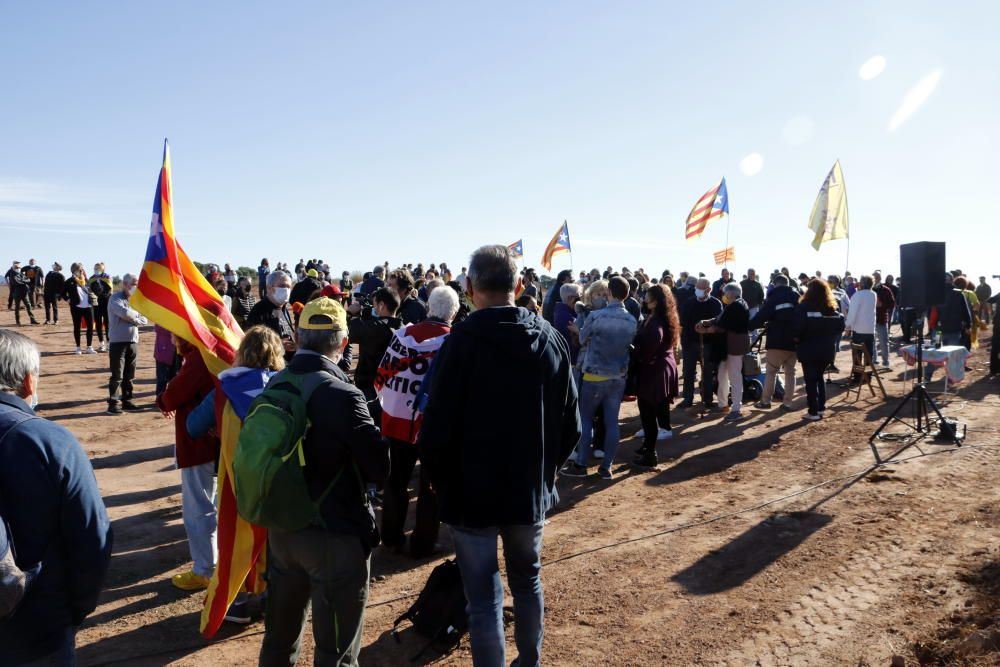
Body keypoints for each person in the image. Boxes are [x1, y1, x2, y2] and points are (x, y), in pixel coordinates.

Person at [418, 245, 579, 667]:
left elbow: (434, 429)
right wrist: (546, 471)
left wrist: (439, 478)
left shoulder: (461, 345)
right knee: (526, 583)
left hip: (474, 496)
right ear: (519, 286)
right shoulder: (549, 341)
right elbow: (572, 426)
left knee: (485, 597)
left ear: (469, 288)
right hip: (524, 492)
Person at [258, 298, 389, 666]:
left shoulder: (275, 385)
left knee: (278, 642)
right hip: (334, 532)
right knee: (335, 651)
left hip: (282, 532)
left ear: (297, 339)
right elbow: (379, 469)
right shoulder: (344, 395)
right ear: (343, 343)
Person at [0, 329, 113, 665]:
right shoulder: (49, 441)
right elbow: (93, 537)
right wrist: (75, 608)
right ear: (28, 382)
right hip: (37, 627)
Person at [375, 287, 459, 558]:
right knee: (429, 486)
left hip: (397, 417)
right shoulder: (454, 342)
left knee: (396, 480)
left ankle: (390, 537)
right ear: (454, 313)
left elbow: (381, 376)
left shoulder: (402, 335)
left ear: (428, 308)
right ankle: (423, 543)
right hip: (431, 424)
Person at [156, 336, 219, 591]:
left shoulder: (198, 358)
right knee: (209, 503)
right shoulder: (209, 353)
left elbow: (175, 395)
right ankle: (210, 563)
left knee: (198, 507)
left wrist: (163, 399)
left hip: (198, 445)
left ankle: (204, 568)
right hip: (211, 441)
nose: (171, 338)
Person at [562, 276, 637, 479]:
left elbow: (583, 338)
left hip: (594, 375)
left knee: (585, 419)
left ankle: (581, 465)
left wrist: (578, 329)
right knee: (612, 422)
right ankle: (606, 467)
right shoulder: (631, 319)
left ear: (610, 293)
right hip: (618, 376)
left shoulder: (596, 316)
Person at [633, 284, 680, 467]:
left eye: (648, 296)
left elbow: (654, 339)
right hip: (661, 366)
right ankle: (647, 446)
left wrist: (640, 356)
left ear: (656, 300)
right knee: (650, 409)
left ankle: (650, 454)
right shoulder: (663, 316)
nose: (644, 299)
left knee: (647, 411)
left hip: (655, 369)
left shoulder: (656, 321)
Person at [696, 282, 750, 421]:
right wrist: (707, 322)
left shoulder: (737, 305)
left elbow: (721, 326)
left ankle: (736, 408)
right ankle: (723, 404)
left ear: (731, 293)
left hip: (734, 346)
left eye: (725, 293)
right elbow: (720, 318)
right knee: (722, 374)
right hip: (727, 346)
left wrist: (706, 329)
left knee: (735, 377)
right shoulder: (734, 305)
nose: (724, 296)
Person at [795, 280, 845, 421]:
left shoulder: (804, 307)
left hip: (809, 349)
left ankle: (813, 411)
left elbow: (798, 328)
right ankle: (821, 408)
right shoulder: (832, 308)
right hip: (827, 350)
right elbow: (840, 326)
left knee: (811, 380)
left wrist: (796, 338)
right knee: (819, 378)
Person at [347, 286, 403, 407]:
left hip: (369, 388)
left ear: (381, 305)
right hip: (393, 387)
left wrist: (351, 313)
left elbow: (346, 332)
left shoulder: (373, 328)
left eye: (375, 304)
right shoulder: (403, 328)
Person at [749, 274, 798, 410]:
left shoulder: (773, 297)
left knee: (771, 372)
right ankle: (787, 402)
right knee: (790, 373)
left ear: (775, 284)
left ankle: (766, 401)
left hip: (776, 340)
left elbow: (761, 316)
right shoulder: (797, 296)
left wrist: (748, 326)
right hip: (794, 341)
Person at [106, 274, 149, 414]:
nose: (136, 286)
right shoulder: (115, 298)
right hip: (118, 342)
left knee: (130, 374)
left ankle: (127, 400)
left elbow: (145, 318)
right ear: (125, 284)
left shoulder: (136, 300)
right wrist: (136, 317)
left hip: (133, 341)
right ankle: (113, 404)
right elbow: (125, 314)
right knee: (117, 374)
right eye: (134, 284)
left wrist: (135, 317)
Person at [679, 277, 723, 408]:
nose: (697, 290)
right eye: (696, 288)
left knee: (708, 372)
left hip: (708, 343)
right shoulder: (689, 303)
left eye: (700, 288)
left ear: (708, 289)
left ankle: (708, 398)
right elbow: (683, 321)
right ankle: (687, 398)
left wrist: (707, 328)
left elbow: (718, 321)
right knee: (688, 372)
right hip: (690, 342)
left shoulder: (715, 303)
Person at [246, 270, 297, 361]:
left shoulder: (284, 309)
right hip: (271, 368)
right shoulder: (259, 311)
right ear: (269, 288)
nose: (286, 290)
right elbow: (253, 346)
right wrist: (278, 345)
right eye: (282, 286)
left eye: (288, 287)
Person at [844, 275, 877, 371]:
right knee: (868, 354)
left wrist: (847, 327)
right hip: (870, 329)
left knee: (857, 354)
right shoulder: (873, 294)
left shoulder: (858, 295)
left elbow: (852, 313)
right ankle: (868, 375)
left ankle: (858, 376)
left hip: (859, 329)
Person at [63, 263, 97, 354]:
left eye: (82, 269)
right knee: (77, 327)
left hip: (88, 306)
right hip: (76, 307)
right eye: (79, 270)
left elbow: (93, 290)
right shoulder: (69, 281)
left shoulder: (86, 280)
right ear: (74, 271)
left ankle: (89, 347)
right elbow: (62, 293)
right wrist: (68, 300)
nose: (81, 271)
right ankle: (78, 347)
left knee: (90, 327)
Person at [553, 283, 582, 362]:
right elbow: (583, 330)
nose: (581, 300)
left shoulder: (566, 311)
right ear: (570, 298)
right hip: (570, 358)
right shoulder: (564, 315)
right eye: (579, 297)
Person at [872, 271, 895, 368]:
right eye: (874, 277)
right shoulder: (868, 290)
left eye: (877, 277)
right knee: (871, 342)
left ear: (880, 278)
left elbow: (892, 304)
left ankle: (885, 362)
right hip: (870, 320)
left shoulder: (886, 290)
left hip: (881, 319)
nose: (875, 279)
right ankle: (873, 360)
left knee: (883, 342)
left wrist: (882, 305)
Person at [89, 263, 112, 353]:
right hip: (96, 303)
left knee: (107, 323)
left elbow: (109, 289)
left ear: (103, 269)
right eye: (95, 268)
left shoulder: (107, 277)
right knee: (98, 323)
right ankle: (101, 344)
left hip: (106, 302)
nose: (96, 270)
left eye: (98, 268)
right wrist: (95, 297)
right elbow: (89, 290)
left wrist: (102, 295)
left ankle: (109, 343)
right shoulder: (91, 279)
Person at [8, 262, 38, 326]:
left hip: (24, 293)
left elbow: (28, 280)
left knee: (28, 306)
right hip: (17, 293)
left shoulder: (21, 274)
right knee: (17, 307)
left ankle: (32, 320)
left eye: (19, 268)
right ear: (13, 268)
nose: (18, 269)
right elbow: (17, 282)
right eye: (17, 268)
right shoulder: (12, 275)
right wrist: (24, 280)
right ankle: (18, 321)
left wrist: (24, 280)